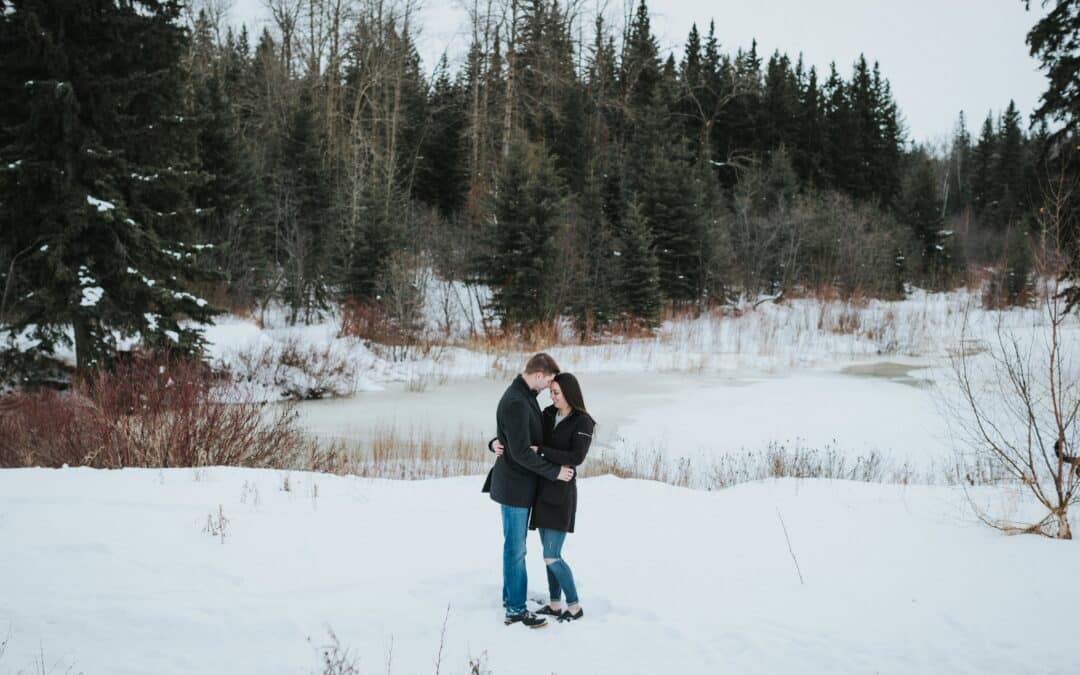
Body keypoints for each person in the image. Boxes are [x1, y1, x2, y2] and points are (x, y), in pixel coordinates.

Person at [493, 372, 595, 623]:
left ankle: (574, 606)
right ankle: (555, 604)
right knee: (547, 556)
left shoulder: (583, 422)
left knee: (552, 555)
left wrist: (542, 452)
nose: (553, 397)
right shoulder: (548, 414)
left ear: (570, 394)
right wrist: (494, 441)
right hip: (541, 492)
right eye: (551, 392)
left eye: (557, 393)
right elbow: (522, 436)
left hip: (561, 494)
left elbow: (576, 457)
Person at [482, 353, 574, 629]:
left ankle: (512, 597)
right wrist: (555, 472)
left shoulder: (524, 397)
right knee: (515, 549)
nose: (549, 387)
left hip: (521, 486)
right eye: (547, 381)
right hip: (514, 488)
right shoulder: (516, 401)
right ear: (537, 375)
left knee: (515, 547)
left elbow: (512, 438)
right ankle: (515, 610)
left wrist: (495, 442)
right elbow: (521, 452)